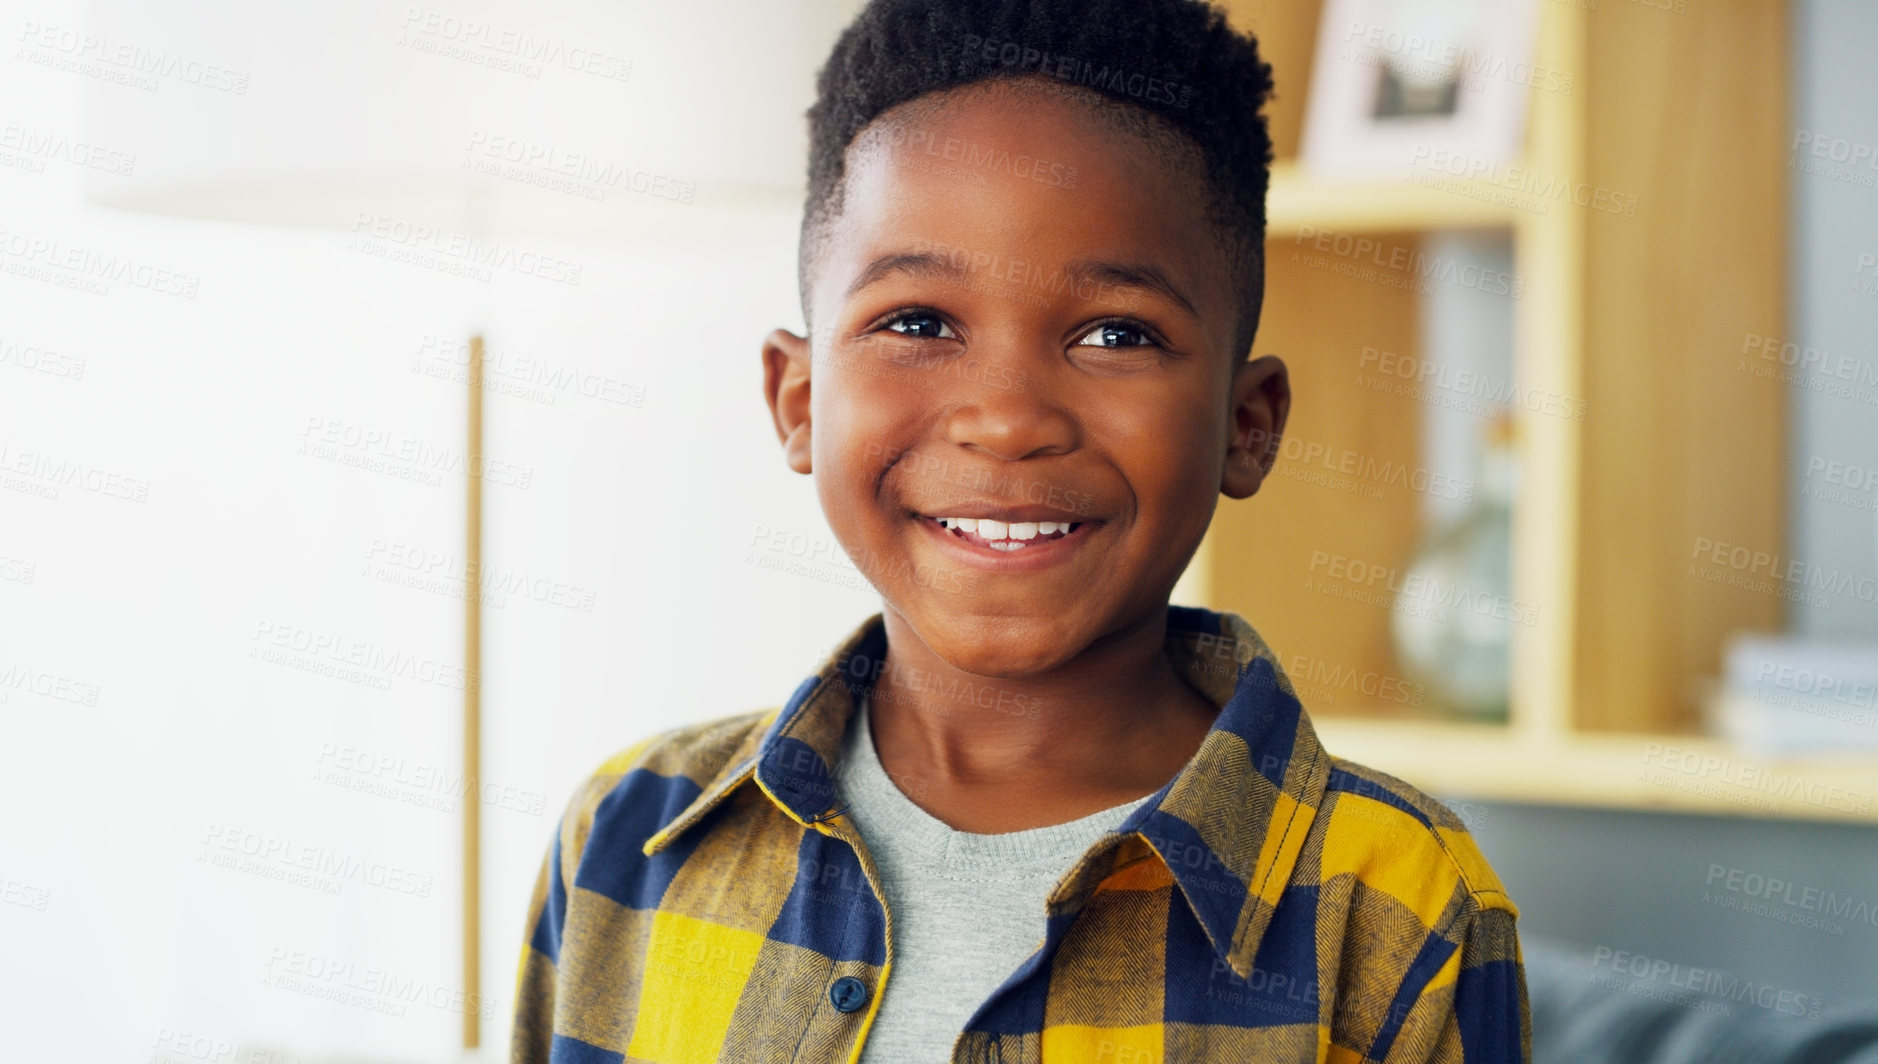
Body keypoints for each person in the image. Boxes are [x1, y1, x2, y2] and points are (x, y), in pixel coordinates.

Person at [511, 1, 1529, 1060]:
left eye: (1115, 333)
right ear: (799, 400)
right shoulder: (627, 841)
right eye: (917, 323)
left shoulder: (1398, 907)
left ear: (1247, 423)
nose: (1006, 416)